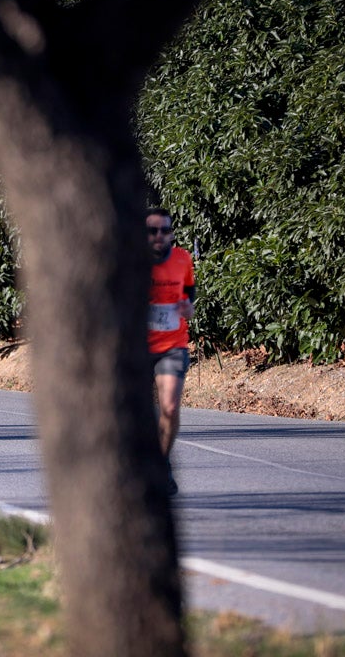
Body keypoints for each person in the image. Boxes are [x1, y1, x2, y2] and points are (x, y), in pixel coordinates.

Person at [147, 207, 195, 496]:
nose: (159, 236)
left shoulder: (182, 258)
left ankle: (162, 464)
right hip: (137, 348)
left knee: (170, 407)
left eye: (165, 230)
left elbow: (189, 291)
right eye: (152, 231)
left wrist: (188, 307)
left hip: (172, 345)